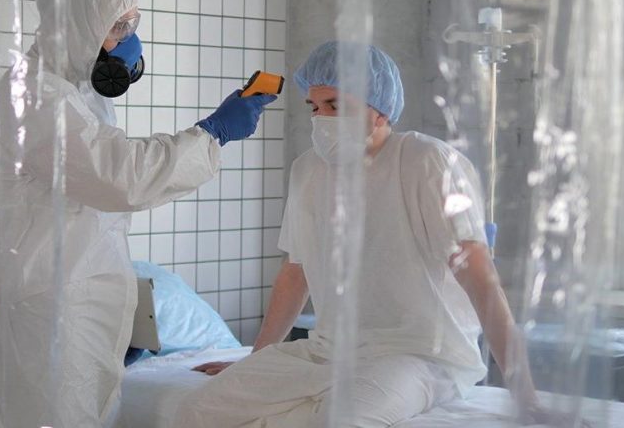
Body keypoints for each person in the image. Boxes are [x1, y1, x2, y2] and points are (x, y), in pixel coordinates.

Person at [173, 41, 566, 428]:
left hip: (419, 356)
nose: (321, 118)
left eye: (335, 105)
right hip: (328, 351)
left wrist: (525, 396)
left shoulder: (428, 163)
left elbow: (481, 281)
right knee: (198, 412)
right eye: (314, 107)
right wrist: (257, 361)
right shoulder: (308, 170)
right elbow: (295, 273)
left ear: (380, 111)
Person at [0, 0, 275, 428]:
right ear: (77, 25)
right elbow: (119, 176)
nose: (128, 41)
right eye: (118, 27)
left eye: (133, 24)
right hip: (51, 322)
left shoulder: (74, 92)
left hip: (76, 315)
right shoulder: (35, 96)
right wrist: (211, 134)